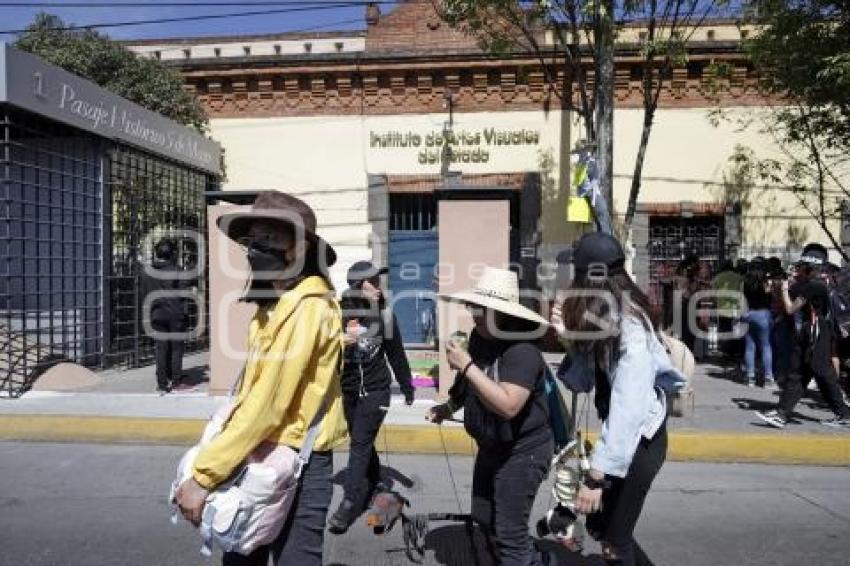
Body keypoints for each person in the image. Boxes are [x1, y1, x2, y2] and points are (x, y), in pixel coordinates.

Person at [174, 191, 349, 566]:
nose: (255, 250)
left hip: (296, 463)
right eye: (252, 241)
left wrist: (204, 477)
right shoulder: (274, 308)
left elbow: (265, 406)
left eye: (269, 239)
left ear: (299, 249)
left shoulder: (308, 310)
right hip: (256, 453)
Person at [552, 232, 671, 566]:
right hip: (624, 442)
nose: (571, 280)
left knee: (614, 545)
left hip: (640, 445)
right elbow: (581, 383)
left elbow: (628, 411)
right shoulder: (605, 318)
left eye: (575, 272)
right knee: (604, 529)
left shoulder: (630, 328)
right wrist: (568, 338)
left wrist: (595, 478)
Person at [427, 267, 554, 566]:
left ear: (501, 314)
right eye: (473, 308)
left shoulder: (523, 352)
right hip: (492, 445)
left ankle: (534, 561)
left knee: (509, 534)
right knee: (485, 518)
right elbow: (471, 386)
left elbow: (508, 405)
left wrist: (467, 365)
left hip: (524, 452)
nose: (473, 315)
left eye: (480, 310)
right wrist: (449, 407)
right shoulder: (480, 338)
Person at [328, 260, 415, 534]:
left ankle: (350, 501)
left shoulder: (385, 315)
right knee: (360, 441)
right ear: (357, 286)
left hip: (377, 390)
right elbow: (322, 346)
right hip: (349, 390)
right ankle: (376, 480)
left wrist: (407, 386)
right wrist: (342, 339)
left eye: (379, 282)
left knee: (360, 444)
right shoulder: (337, 314)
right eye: (373, 282)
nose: (379, 287)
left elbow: (396, 354)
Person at [756, 243, 850, 429]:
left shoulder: (813, 286)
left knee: (822, 374)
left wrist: (783, 289)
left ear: (809, 267)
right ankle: (782, 413)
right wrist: (784, 286)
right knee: (798, 374)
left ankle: (845, 414)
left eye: (802, 266)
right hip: (812, 333)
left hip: (817, 334)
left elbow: (790, 309)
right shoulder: (822, 282)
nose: (799, 269)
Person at [140, 238, 189, 394]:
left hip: (156, 314)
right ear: (172, 254)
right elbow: (184, 292)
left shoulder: (147, 272)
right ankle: (176, 381)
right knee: (176, 349)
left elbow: (144, 294)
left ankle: (162, 384)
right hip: (175, 314)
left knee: (161, 349)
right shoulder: (177, 270)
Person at [742, 259, 776, 388]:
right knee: (766, 346)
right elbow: (771, 296)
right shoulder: (766, 282)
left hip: (749, 314)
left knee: (750, 347)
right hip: (763, 314)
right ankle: (768, 378)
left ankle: (750, 377)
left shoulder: (745, 282)